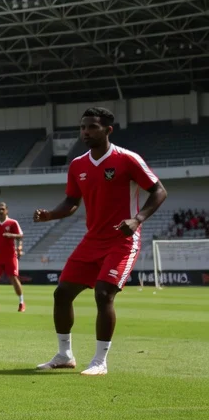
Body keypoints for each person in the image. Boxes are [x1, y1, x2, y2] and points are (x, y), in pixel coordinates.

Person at [33, 107, 166, 376]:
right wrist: (50, 215)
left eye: (92, 127)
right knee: (62, 294)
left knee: (103, 293)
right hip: (91, 240)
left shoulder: (127, 159)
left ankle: (99, 361)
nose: (85, 132)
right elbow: (72, 202)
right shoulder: (77, 165)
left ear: (108, 130)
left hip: (122, 240)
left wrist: (137, 219)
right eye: (83, 127)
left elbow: (159, 191)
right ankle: (64, 355)